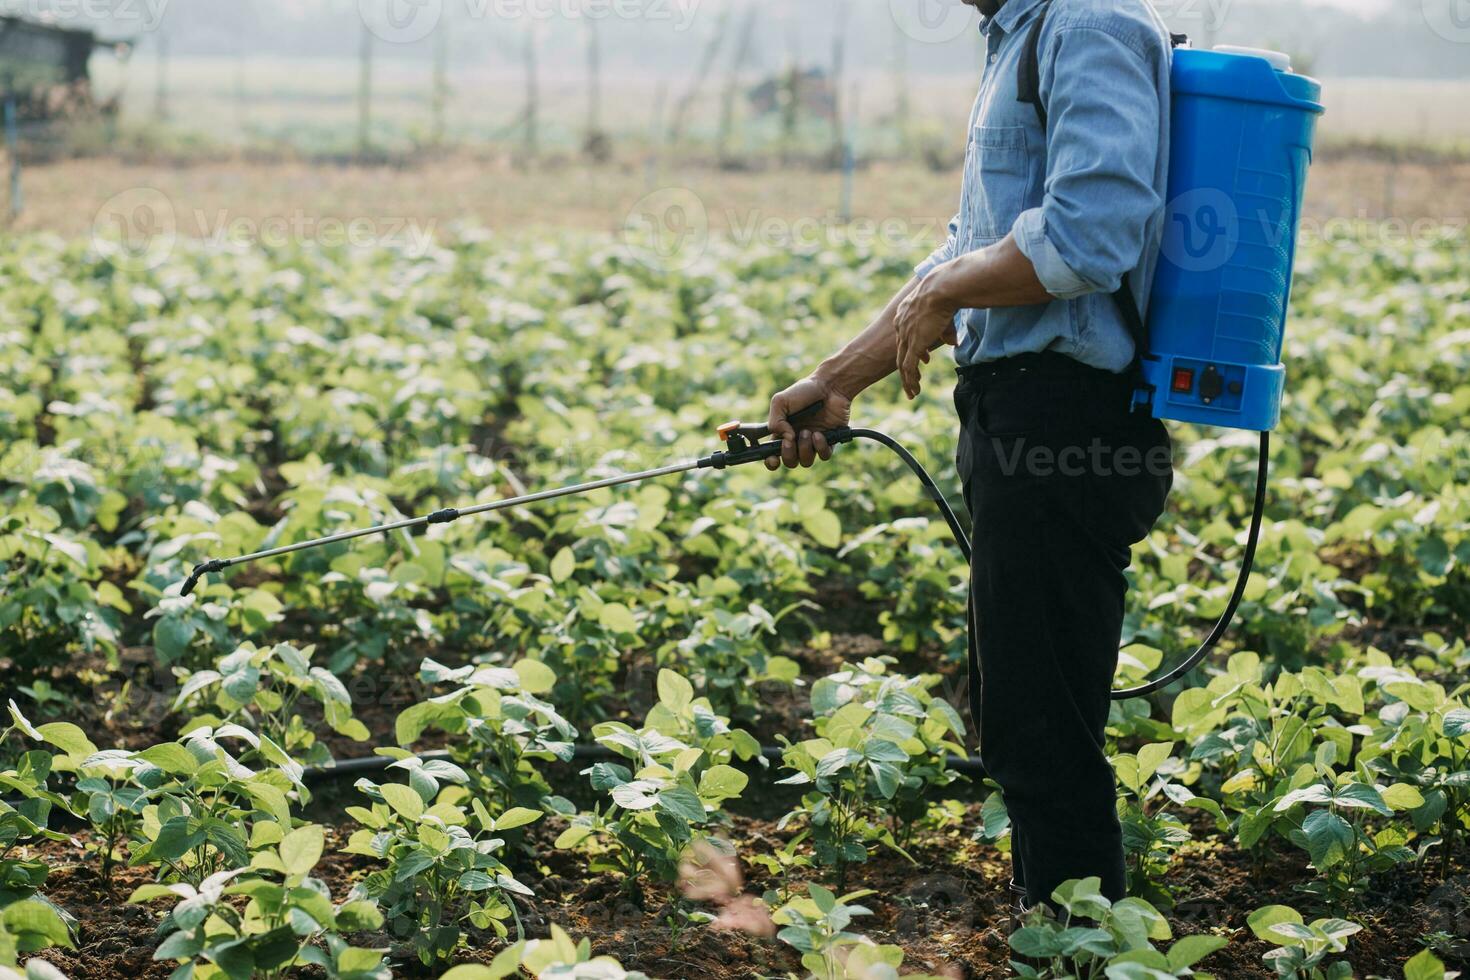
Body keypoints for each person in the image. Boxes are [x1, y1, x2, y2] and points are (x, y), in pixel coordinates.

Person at [764, 0, 1176, 913]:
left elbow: (1088, 235)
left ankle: (1078, 947)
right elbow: (971, 252)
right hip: (1015, 415)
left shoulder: (1090, 24)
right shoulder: (1019, 37)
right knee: (1029, 713)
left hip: (1068, 425)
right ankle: (1059, 931)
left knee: (1043, 727)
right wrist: (841, 379)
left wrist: (951, 284)